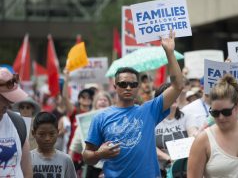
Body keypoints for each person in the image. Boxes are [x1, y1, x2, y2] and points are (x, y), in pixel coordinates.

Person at [83, 30, 184, 177]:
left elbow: (178, 86)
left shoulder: (150, 109)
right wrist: (99, 153)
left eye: (133, 84)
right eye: (123, 84)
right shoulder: (101, 117)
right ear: (115, 87)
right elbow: (87, 156)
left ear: (138, 87)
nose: (128, 87)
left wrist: (169, 52)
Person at [154, 83, 198, 176]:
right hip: (160, 171)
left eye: (175, 94)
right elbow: (150, 146)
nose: (174, 97)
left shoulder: (187, 116)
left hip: (185, 169)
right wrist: (168, 158)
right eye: (169, 95)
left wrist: (195, 136)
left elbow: (193, 133)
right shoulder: (152, 120)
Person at [69, 91, 112, 178]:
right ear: (95, 104)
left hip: (112, 167)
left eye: (105, 99)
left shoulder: (117, 120)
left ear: (110, 104)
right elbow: (73, 148)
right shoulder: (85, 121)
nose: (103, 101)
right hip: (92, 168)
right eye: (100, 99)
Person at [0, 67, 32, 178]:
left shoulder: (18, 122)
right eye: (4, 98)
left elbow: (27, 168)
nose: (9, 103)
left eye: (11, 98)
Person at [31, 112, 76, 178]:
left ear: (58, 132)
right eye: (42, 134)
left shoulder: (66, 160)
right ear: (33, 133)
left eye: (51, 134)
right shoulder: (27, 159)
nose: (47, 138)